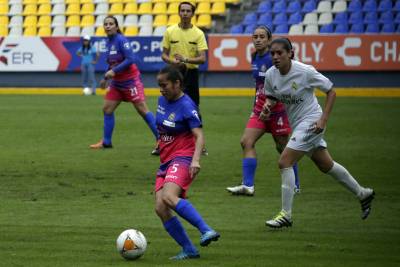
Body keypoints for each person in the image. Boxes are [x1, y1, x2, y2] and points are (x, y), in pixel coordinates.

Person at [259, 38, 375, 228]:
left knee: (284, 161)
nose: (275, 57)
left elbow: (331, 91)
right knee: (325, 164)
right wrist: (267, 108)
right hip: (298, 125)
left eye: (280, 53)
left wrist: (323, 120)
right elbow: (271, 97)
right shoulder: (271, 74)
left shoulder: (305, 71)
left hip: (313, 121)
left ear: (290, 53)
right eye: (272, 53)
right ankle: (363, 193)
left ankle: (286, 215)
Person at [154, 65, 220, 260]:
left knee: (168, 197)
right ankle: (189, 249)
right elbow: (163, 127)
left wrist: (196, 161)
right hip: (166, 159)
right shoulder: (161, 100)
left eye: (164, 85)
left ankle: (206, 230)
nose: (161, 89)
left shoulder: (187, 105)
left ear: (177, 83)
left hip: (183, 157)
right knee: (160, 207)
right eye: (159, 85)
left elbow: (199, 136)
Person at [226, 26, 300, 196]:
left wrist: (271, 104)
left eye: (262, 37)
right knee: (246, 142)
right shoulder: (254, 56)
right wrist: (259, 105)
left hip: (278, 109)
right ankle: (248, 186)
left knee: (283, 148)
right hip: (260, 108)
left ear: (269, 39)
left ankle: (295, 185)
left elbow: (284, 84)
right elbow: (259, 86)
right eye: (255, 36)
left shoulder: (274, 58)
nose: (258, 39)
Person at [90, 16, 158, 152]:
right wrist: (105, 77)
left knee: (142, 110)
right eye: (106, 24)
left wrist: (113, 71)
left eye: (111, 24)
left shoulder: (121, 40)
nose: (108, 26)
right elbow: (112, 63)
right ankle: (106, 142)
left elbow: (130, 59)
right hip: (117, 83)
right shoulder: (108, 42)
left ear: (116, 26)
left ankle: (162, 140)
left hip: (131, 81)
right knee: (107, 109)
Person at [161, 1, 208, 155]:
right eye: (183, 10)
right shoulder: (170, 31)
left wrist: (185, 60)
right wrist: (171, 61)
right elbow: (164, 54)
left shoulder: (198, 33)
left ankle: (200, 144)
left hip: (191, 74)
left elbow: (202, 58)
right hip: (173, 74)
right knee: (168, 107)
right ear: (179, 12)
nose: (185, 13)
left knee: (194, 108)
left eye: (188, 11)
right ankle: (163, 142)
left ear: (192, 14)